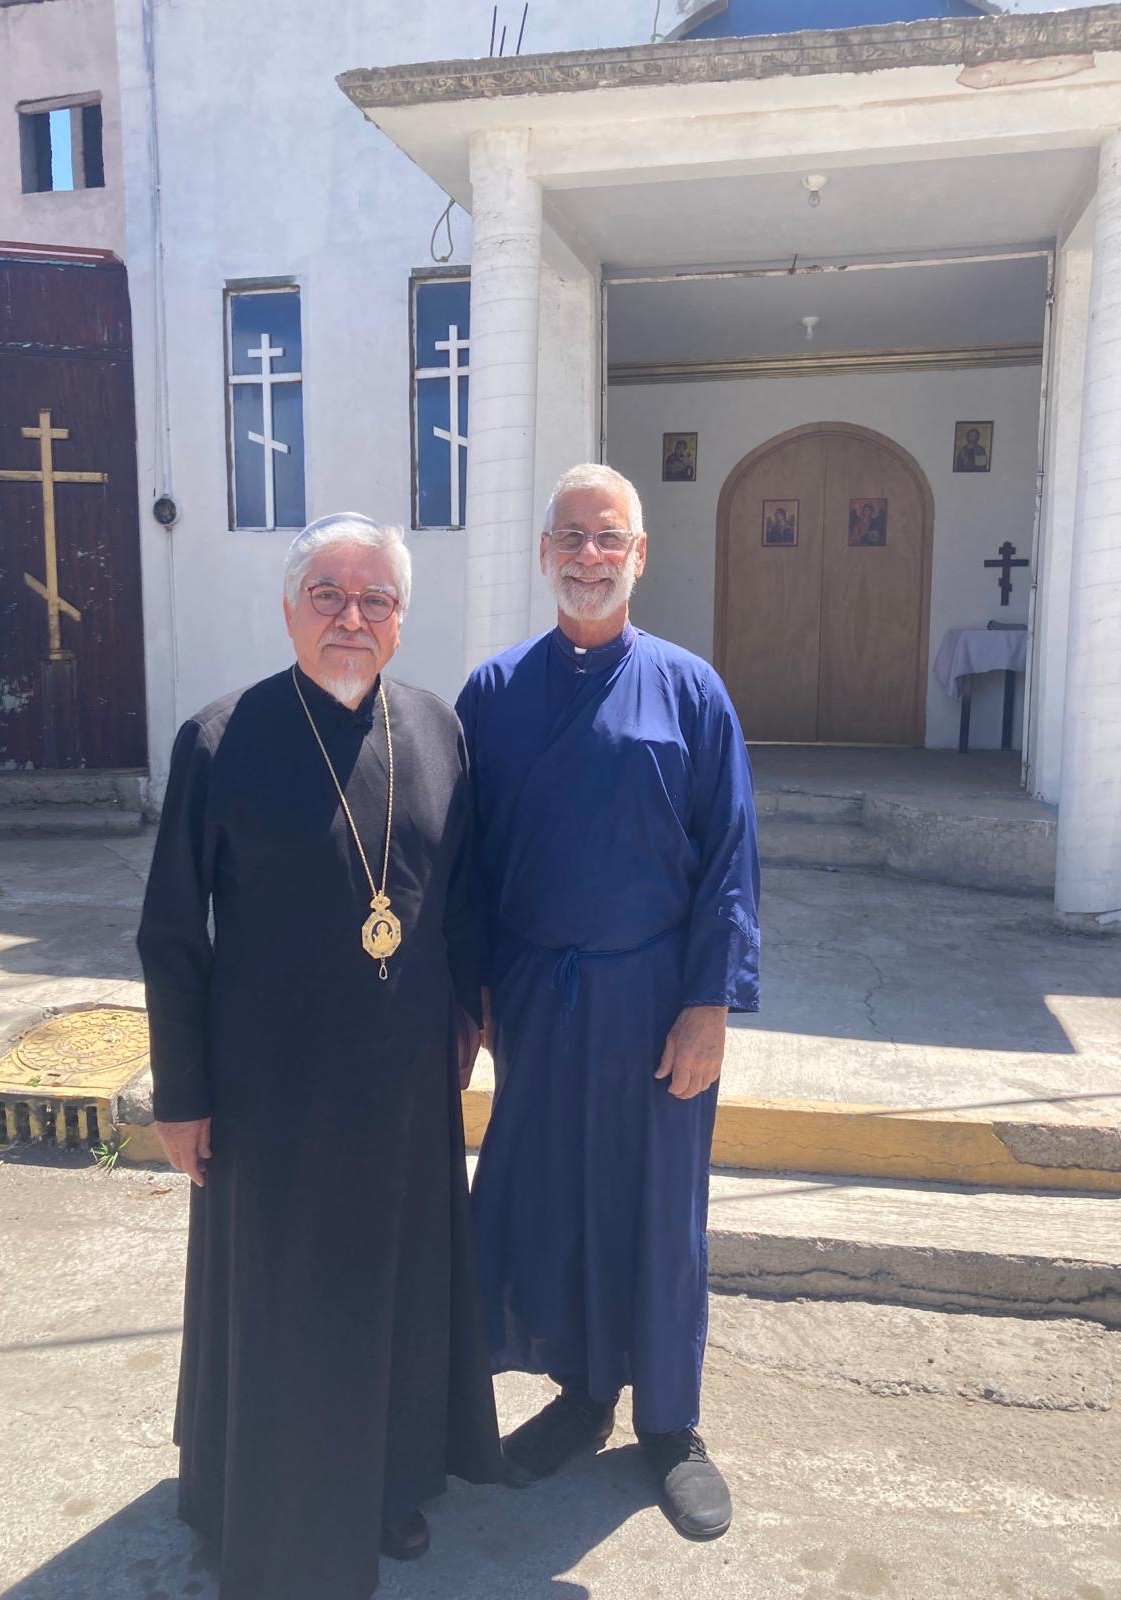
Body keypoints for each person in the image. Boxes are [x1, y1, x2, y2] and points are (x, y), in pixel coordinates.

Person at [137, 513, 499, 1600]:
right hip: (267, 1095)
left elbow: (463, 897)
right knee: (281, 1303)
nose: (353, 617)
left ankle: (388, 1487)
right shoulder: (219, 736)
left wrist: (469, 1029)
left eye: (375, 599)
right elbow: (171, 929)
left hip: (401, 1089)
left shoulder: (437, 728)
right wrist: (182, 1092)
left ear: (400, 620)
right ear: (290, 607)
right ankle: (244, 1496)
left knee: (393, 1296)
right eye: (329, 596)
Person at [456, 464, 760, 1542]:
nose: (589, 555)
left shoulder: (691, 691)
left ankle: (671, 1427)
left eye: (609, 538)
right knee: (557, 1195)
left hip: (653, 998)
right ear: (544, 554)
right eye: (571, 536)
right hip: (537, 994)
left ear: (640, 556)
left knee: (659, 1206)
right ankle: (584, 1395)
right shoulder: (491, 695)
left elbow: (730, 860)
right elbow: (466, 864)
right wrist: (473, 993)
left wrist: (710, 1002)